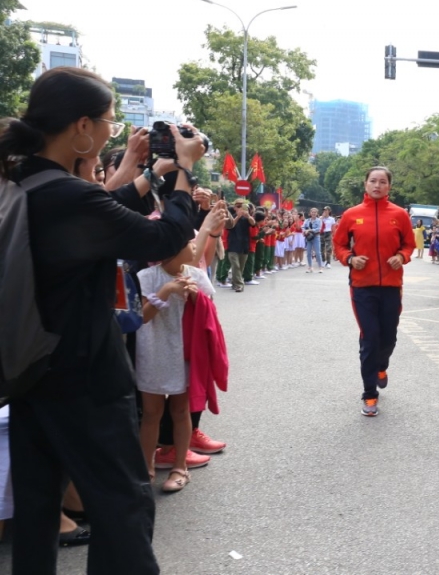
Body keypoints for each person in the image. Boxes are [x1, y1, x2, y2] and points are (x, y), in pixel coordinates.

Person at [0, 67, 206, 573]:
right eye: (110, 122)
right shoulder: (69, 196)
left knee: (37, 505)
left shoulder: (23, 182)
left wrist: (151, 176)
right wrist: (183, 172)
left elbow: (97, 214)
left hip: (29, 371)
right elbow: (162, 241)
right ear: (82, 127)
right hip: (85, 374)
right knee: (123, 506)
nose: (113, 132)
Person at [137, 236, 218, 493]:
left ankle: (180, 466)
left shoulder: (197, 274)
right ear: (171, 249)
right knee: (151, 413)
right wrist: (166, 291)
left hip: (185, 352)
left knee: (181, 412)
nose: (195, 246)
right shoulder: (146, 277)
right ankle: (145, 468)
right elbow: (141, 318)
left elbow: (210, 313)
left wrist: (195, 297)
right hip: (153, 351)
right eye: (189, 243)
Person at [333, 166, 414, 417]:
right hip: (362, 286)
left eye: (382, 182)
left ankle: (382, 366)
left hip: (391, 286)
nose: (377, 185)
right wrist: (349, 258)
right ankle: (369, 394)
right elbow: (339, 243)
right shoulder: (351, 214)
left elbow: (409, 244)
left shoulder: (399, 215)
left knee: (388, 338)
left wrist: (402, 256)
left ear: (389, 186)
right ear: (365, 184)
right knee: (370, 338)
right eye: (373, 181)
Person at [225, 199, 254, 292]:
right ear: (234, 208)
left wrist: (248, 215)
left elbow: (253, 223)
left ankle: (234, 283)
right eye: (238, 206)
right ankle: (239, 285)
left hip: (244, 245)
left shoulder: (247, 218)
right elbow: (230, 225)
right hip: (233, 245)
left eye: (242, 206)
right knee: (236, 266)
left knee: (240, 267)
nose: (240, 208)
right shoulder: (231, 217)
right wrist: (238, 216)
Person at [303, 207, 324, 273]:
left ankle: (320, 267)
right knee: (308, 252)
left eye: (315, 212)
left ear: (317, 213)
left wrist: (311, 230)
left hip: (316, 237)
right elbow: (303, 227)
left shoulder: (319, 220)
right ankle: (310, 267)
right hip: (308, 238)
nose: (313, 213)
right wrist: (305, 231)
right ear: (310, 213)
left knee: (318, 253)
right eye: (312, 212)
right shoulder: (307, 220)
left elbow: (319, 229)